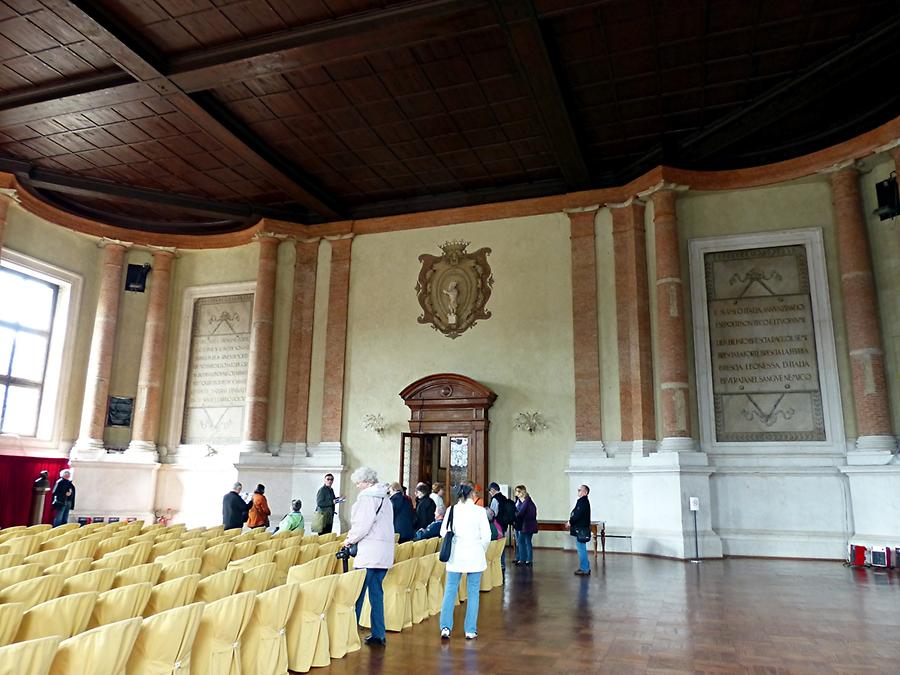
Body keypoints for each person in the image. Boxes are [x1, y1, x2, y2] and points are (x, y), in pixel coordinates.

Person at [344, 466, 394, 647]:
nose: (357, 486)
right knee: (376, 594)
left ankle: (349, 636)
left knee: (357, 594)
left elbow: (361, 526)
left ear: (366, 482)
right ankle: (379, 634)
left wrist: (348, 540)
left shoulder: (367, 498)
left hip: (369, 552)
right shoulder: (386, 498)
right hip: (384, 552)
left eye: (358, 483)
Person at [439, 483, 491, 640]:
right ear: (472, 495)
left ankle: (445, 627)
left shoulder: (452, 510)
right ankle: (470, 630)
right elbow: (487, 535)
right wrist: (481, 548)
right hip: (475, 554)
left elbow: (443, 532)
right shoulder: (480, 511)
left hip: (456, 555)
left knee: (450, 590)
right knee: (473, 592)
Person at [488, 482, 514, 570]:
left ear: (493, 490)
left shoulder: (495, 499)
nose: (490, 493)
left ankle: (498, 563)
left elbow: (492, 513)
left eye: (490, 491)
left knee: (496, 543)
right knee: (501, 544)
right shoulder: (504, 497)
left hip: (496, 524)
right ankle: (502, 563)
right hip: (504, 524)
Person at [569, 485, 592, 575]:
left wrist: (570, 522)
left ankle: (585, 569)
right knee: (582, 548)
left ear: (585, 492)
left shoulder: (582, 502)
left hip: (581, 529)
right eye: (578, 490)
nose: (578, 491)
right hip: (582, 528)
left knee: (581, 549)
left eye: (580, 490)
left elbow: (577, 515)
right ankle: (585, 567)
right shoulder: (583, 501)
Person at [513, 484, 538, 566]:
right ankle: (521, 558)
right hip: (520, 524)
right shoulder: (518, 501)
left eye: (518, 491)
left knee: (525, 541)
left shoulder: (527, 502)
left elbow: (524, 513)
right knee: (521, 542)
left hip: (527, 525)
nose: (516, 493)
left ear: (522, 492)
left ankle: (526, 559)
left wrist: (516, 515)